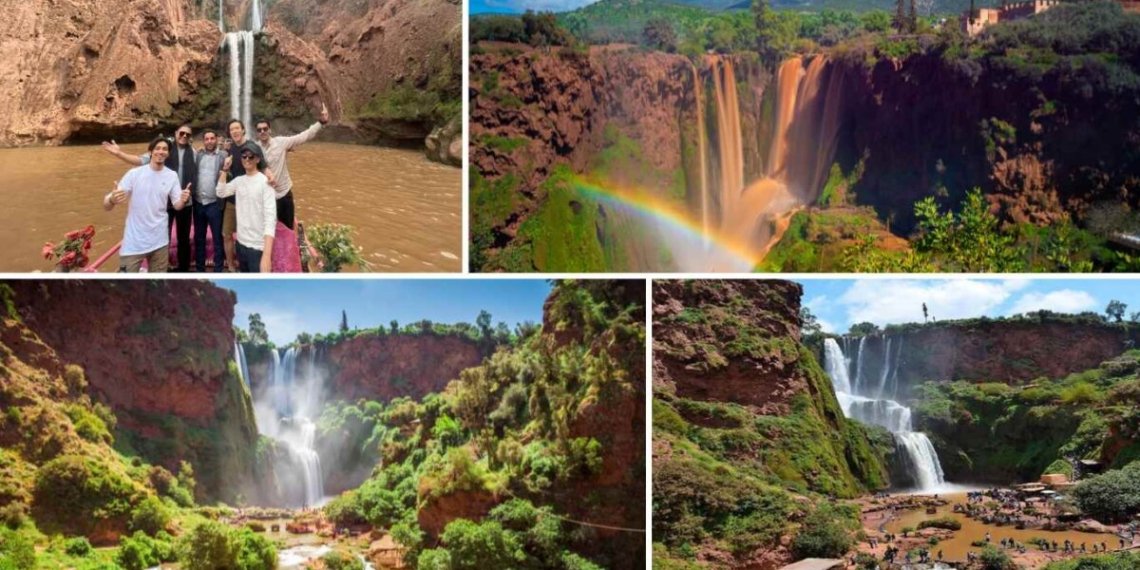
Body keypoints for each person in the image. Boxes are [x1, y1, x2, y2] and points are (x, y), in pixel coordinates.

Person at [101, 125, 197, 271]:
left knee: (182, 240)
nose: (161, 152)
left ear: (168, 153)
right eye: (158, 148)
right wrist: (112, 199)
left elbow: (179, 203)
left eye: (164, 149)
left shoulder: (177, 170)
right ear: (150, 152)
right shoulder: (134, 174)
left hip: (164, 235)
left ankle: (182, 269)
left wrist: (184, 199)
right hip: (135, 243)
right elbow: (107, 205)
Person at [254, 102, 330, 229]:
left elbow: (303, 137)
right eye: (259, 130)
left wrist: (320, 123)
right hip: (266, 196)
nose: (262, 131)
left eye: (265, 129)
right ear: (256, 133)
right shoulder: (254, 149)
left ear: (270, 130)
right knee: (268, 229)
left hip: (284, 194)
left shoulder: (281, 143)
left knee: (288, 228)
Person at [216, 142, 275, 272]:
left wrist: (266, 255)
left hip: (258, 247)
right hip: (240, 244)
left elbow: (270, 220)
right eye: (244, 156)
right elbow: (220, 192)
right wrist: (225, 169)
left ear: (258, 159)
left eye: (251, 156)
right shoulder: (239, 181)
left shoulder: (266, 183)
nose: (247, 159)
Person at [193, 129, 227, 272]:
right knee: (199, 238)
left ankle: (218, 270)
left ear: (217, 139)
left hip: (214, 203)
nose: (209, 141)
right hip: (198, 203)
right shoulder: (198, 155)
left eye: (212, 138)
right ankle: (200, 269)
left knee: (217, 238)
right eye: (206, 139)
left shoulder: (224, 155)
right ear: (203, 141)